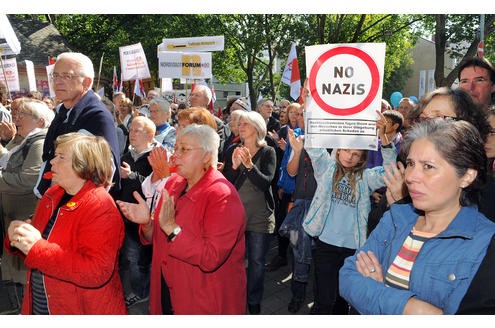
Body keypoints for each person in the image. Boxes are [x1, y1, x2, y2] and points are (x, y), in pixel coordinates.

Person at [339, 119, 495, 314]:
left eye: (428, 166)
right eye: (411, 163)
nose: (411, 176)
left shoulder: (485, 243)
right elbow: (347, 277)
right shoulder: (396, 218)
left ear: (466, 176)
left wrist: (376, 293)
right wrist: (414, 309)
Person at [116, 124, 246, 314]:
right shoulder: (174, 182)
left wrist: (172, 228)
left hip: (202, 298)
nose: (175, 155)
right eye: (175, 148)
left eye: (184, 149)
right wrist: (146, 224)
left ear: (207, 156)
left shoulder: (222, 195)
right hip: (167, 288)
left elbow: (210, 257)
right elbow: (156, 237)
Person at [4, 133, 126, 314]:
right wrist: (18, 239)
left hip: (79, 308)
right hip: (42, 302)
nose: (52, 161)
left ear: (83, 165)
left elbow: (96, 272)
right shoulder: (53, 194)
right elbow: (38, 250)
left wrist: (35, 247)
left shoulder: (100, 206)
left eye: (61, 157)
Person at [302, 104, 395, 314]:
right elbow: (314, 146)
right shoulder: (326, 168)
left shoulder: (366, 178)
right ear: (338, 149)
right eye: (345, 150)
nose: (349, 157)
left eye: (356, 154)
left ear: (362, 158)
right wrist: (310, 106)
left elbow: (390, 170)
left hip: (353, 247)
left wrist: (385, 139)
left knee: (343, 300)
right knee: (324, 299)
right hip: (325, 244)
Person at [34, 52, 121, 199]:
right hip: (52, 204)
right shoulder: (62, 113)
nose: (58, 82)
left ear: (86, 82)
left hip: (76, 211)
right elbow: (48, 159)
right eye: (55, 76)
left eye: (67, 76)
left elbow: (103, 175)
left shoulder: (96, 117)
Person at [0, 99, 54, 312]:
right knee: (14, 260)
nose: (17, 118)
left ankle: (25, 307)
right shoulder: (21, 140)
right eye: (18, 114)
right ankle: (18, 304)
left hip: (24, 212)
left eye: (24, 115)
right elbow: (7, 162)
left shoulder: (39, 142)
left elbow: (28, 180)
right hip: (12, 211)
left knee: (24, 263)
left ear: (40, 121)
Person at [222, 110, 277, 314]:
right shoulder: (231, 150)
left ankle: (253, 304)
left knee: (256, 262)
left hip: (259, 218)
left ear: (257, 128)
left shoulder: (268, 151)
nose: (240, 126)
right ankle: (235, 299)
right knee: (233, 261)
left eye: (245, 123)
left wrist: (248, 166)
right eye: (240, 123)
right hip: (234, 216)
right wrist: (235, 168)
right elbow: (227, 184)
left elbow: (265, 183)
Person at [116, 116, 158, 310]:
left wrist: (131, 176)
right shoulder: (125, 156)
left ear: (150, 135)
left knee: (137, 259)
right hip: (122, 214)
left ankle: (141, 292)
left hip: (141, 219)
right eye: (131, 129)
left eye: (137, 130)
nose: (131, 133)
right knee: (124, 255)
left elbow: (156, 185)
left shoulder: (155, 158)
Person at [189, 84, 226, 160]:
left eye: (197, 95)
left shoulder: (216, 123)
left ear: (207, 100)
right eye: (191, 95)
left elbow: (217, 148)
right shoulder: (184, 118)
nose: (192, 97)